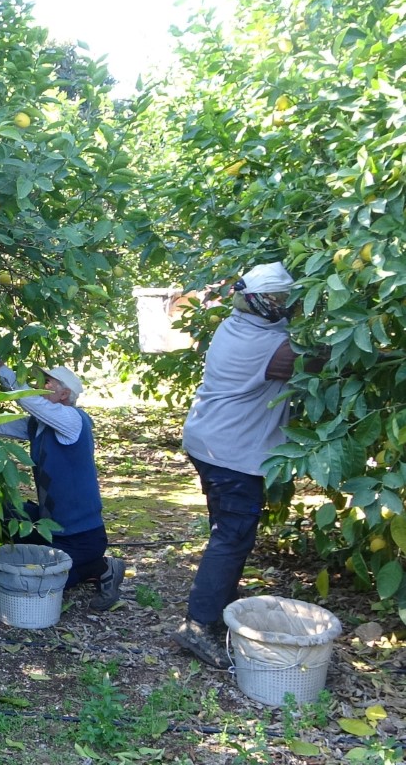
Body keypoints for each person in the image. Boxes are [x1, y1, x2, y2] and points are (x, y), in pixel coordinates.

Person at [174, 261, 323, 668]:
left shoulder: (237, 325)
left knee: (225, 527)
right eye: (284, 299)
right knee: (233, 534)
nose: (290, 306)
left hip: (210, 442)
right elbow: (327, 360)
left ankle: (221, 601)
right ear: (266, 303)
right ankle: (198, 623)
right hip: (231, 452)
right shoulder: (267, 347)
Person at [0, 359, 125, 611]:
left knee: (34, 587)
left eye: (49, 382)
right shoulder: (37, 424)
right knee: (2, 513)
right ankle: (54, 559)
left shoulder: (73, 419)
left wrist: (0, 368)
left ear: (64, 394)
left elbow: (29, 400)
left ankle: (99, 567)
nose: (41, 385)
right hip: (52, 527)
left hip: (82, 537)